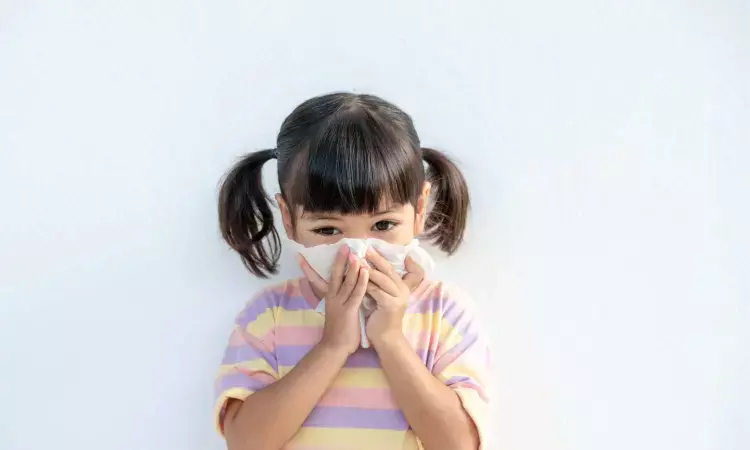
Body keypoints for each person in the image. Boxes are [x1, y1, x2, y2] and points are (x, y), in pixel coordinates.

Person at [214, 93, 491, 450]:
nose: (357, 253)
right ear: (289, 219)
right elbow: (245, 442)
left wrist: (390, 339)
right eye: (328, 230)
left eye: (383, 225)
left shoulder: (444, 311)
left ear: (419, 210)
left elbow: (460, 444)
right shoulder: (269, 314)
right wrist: (333, 345)